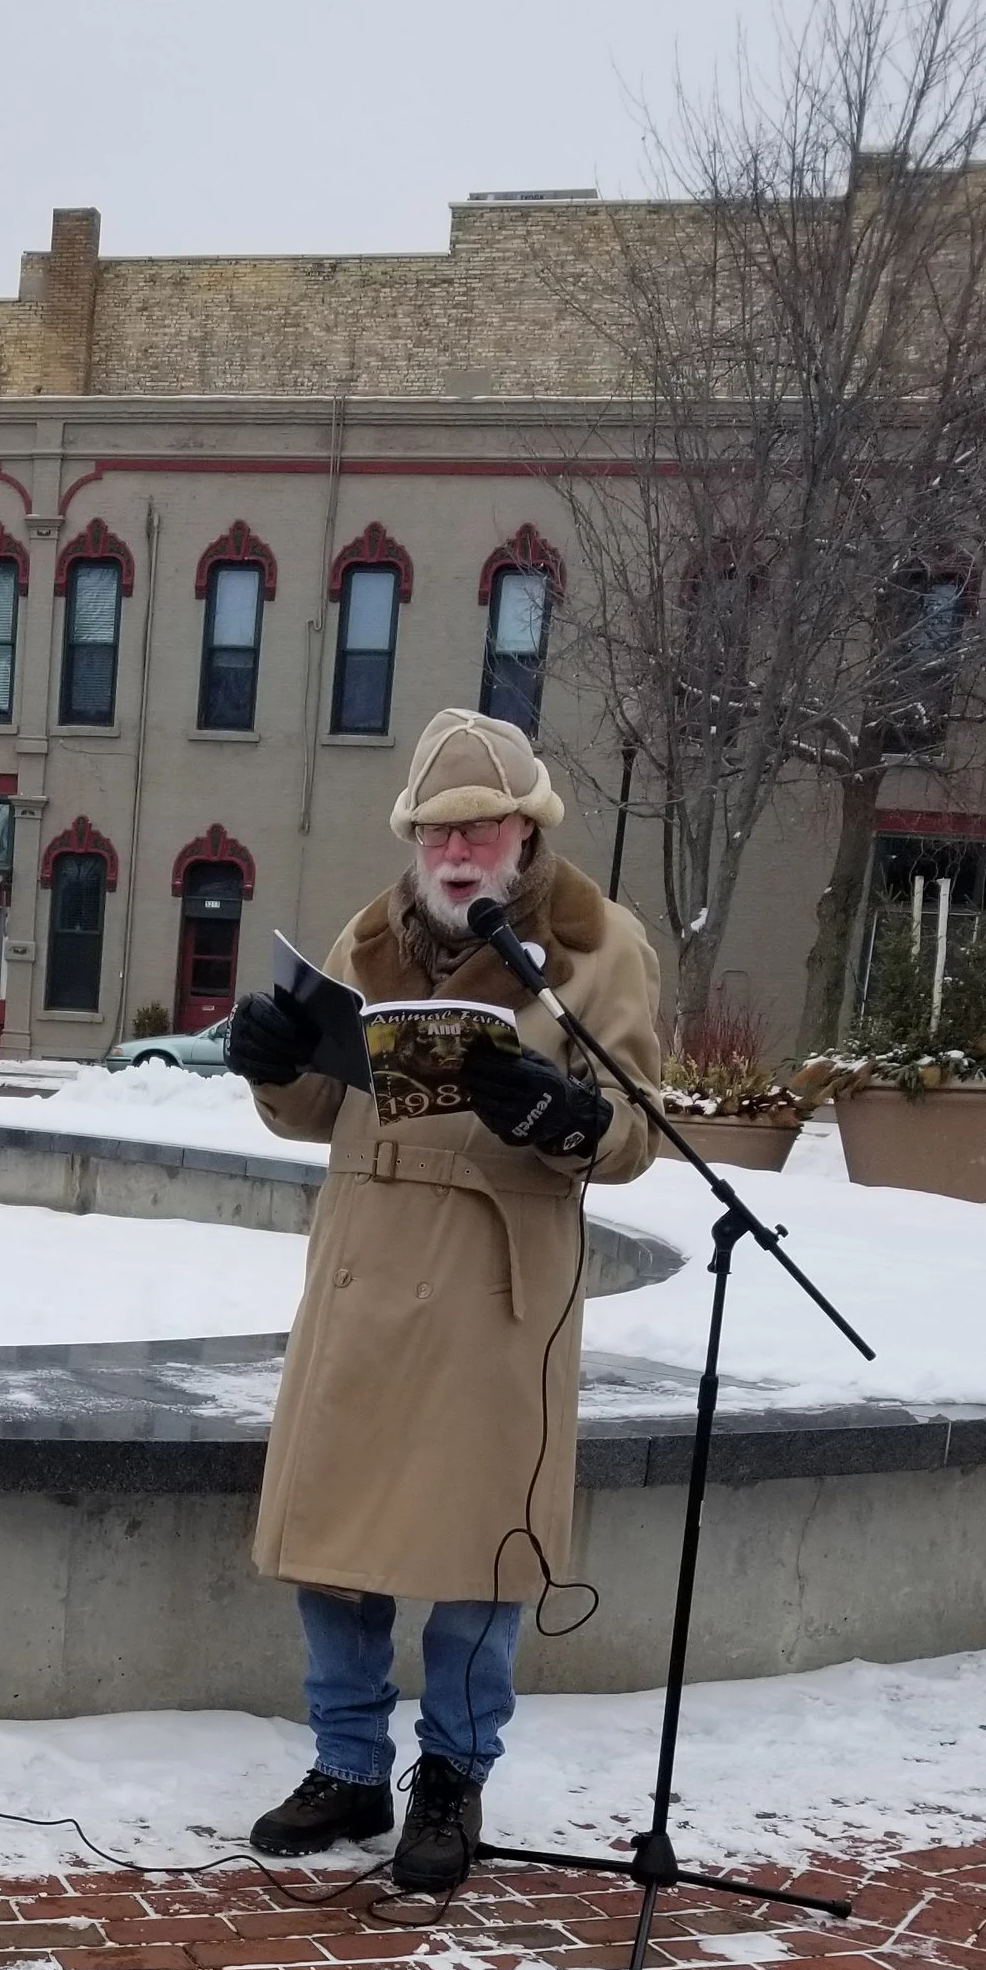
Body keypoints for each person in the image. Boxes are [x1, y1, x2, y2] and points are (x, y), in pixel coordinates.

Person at [225, 709, 664, 1894]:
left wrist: (571, 1119)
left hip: (489, 1286)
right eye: (436, 827)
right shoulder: (369, 938)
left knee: (481, 1554)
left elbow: (632, 1129)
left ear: (527, 830)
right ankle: (348, 1766)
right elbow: (320, 1109)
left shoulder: (593, 946)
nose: (457, 846)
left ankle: (453, 1779)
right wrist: (275, 1063)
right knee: (334, 1544)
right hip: (366, 1274)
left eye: (480, 825)